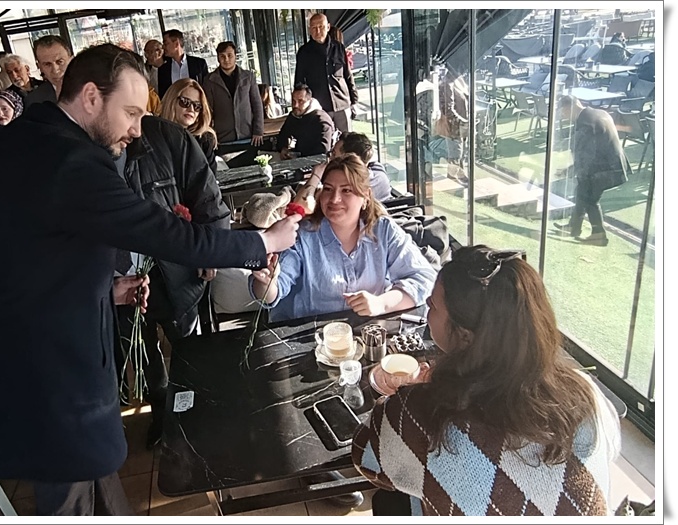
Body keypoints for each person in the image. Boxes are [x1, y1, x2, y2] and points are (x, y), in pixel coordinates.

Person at [0, 43, 300, 516]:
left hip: (21, 360)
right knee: (67, 497)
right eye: (131, 113)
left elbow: (28, 258)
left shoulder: (16, 143)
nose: (138, 129)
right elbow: (166, 233)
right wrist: (263, 242)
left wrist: (103, 288)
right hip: (51, 378)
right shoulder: (69, 160)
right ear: (91, 97)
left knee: (97, 480)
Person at [352, 245, 621, 516]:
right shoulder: (586, 392)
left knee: (391, 501)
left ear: (464, 335)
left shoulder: (418, 414)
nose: (427, 310)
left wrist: (406, 395)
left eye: (432, 305)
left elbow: (367, 458)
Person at [118, 113, 229, 449]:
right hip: (121, 282)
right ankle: (161, 412)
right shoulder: (88, 144)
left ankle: (198, 408)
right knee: (143, 352)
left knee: (188, 345)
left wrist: (211, 251)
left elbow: (206, 195)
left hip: (175, 272)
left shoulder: (167, 136)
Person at [250, 154, 437, 323]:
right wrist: (266, 282)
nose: (334, 199)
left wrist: (381, 303)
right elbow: (273, 291)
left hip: (367, 334)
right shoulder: (302, 236)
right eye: (328, 189)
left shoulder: (384, 230)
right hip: (311, 338)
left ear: (366, 196)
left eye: (346, 190)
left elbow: (425, 279)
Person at [553, 95, 629, 246]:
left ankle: (599, 235)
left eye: (563, 112)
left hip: (605, 169)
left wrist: (571, 171)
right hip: (613, 165)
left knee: (589, 199)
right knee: (582, 191)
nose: (564, 116)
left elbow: (586, 155)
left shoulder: (586, 123)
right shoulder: (598, 113)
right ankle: (574, 227)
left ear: (570, 108)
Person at [294, 13, 358, 134]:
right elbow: (299, 81)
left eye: (321, 27)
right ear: (309, 29)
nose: (318, 31)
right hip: (320, 106)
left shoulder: (339, 47)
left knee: (347, 139)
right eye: (314, 27)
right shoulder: (304, 53)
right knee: (325, 140)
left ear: (328, 27)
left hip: (342, 103)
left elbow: (348, 75)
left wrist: (354, 100)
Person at [202, 41, 264, 147]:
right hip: (223, 136)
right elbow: (208, 111)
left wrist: (258, 131)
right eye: (222, 56)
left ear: (235, 56)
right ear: (218, 58)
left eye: (230, 55)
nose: (226, 60)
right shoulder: (210, 80)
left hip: (248, 133)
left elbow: (257, 105)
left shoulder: (248, 77)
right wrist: (210, 136)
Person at [159, 78, 218, 173]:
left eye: (197, 106)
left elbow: (210, 178)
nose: (191, 109)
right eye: (185, 102)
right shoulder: (155, 134)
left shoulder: (204, 139)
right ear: (171, 101)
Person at [276, 83, 334, 160]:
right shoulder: (294, 116)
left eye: (300, 101)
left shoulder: (322, 120)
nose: (295, 105)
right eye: (293, 101)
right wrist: (283, 148)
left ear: (309, 101)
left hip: (318, 161)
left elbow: (323, 150)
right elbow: (283, 135)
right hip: (299, 158)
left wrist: (299, 156)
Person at [332, 132, 391, 201]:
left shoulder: (348, 189)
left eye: (334, 154)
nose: (330, 157)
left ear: (350, 160)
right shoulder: (379, 171)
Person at [24, 35, 74, 109]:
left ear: (72, 61)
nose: (55, 70)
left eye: (60, 62)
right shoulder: (34, 102)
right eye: (47, 64)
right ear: (39, 67)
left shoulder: (91, 86)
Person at [158, 29, 209, 98]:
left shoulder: (199, 64)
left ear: (176, 44)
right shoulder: (163, 69)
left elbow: (206, 90)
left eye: (166, 43)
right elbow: (163, 96)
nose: (163, 47)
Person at [438, 69, 469, 182]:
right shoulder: (447, 84)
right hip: (454, 125)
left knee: (462, 151)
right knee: (455, 152)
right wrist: (461, 121)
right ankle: (452, 177)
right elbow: (448, 109)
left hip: (462, 123)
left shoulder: (459, 80)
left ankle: (461, 174)